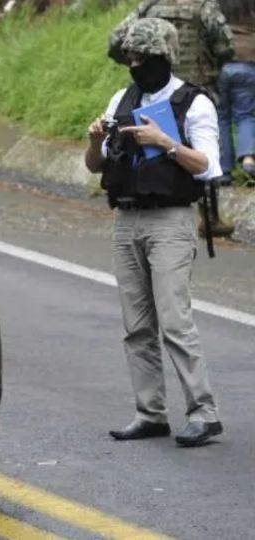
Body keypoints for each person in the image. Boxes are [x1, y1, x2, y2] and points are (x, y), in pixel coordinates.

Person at [86, 18, 223, 447]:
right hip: (126, 220)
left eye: (142, 58)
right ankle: (150, 412)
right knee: (136, 324)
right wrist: (93, 141)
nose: (135, 65)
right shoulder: (121, 99)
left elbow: (208, 167)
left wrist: (165, 141)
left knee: (175, 321)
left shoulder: (194, 103)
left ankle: (204, 412)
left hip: (171, 221)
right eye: (130, 58)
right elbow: (95, 164)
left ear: (163, 57)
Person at [109, 0, 235, 237]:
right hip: (193, 87)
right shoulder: (203, 7)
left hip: (150, 89)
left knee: (149, 146)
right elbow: (225, 46)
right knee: (202, 149)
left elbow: (116, 40)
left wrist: (137, 59)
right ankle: (210, 216)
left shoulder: (149, 6)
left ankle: (145, 197)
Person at [217, 0, 255, 178]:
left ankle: (224, 169)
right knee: (245, 114)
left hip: (221, 63)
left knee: (221, 117)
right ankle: (248, 159)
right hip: (248, 58)